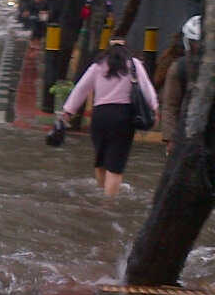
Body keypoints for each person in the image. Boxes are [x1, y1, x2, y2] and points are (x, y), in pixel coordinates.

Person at [61, 37, 159, 197]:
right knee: (116, 165)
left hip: (100, 116)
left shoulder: (97, 65)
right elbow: (146, 87)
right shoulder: (134, 64)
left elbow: (81, 89)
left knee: (100, 160)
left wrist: (68, 112)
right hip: (123, 117)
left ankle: (101, 191)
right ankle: (108, 204)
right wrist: (155, 108)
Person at [161, 15, 201, 156]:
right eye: (194, 42)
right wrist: (170, 139)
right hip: (184, 133)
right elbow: (170, 105)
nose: (197, 46)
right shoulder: (179, 68)